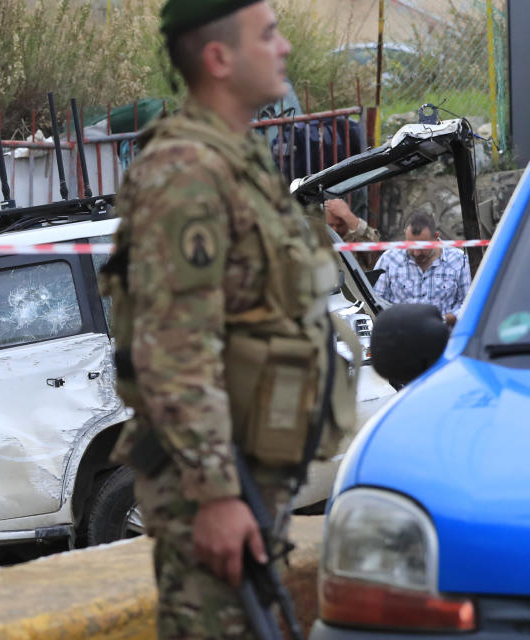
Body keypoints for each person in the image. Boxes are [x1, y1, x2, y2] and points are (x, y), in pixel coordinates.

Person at [97, 1, 359, 637]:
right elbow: (172, 347)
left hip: (251, 472)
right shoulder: (184, 171)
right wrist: (215, 494)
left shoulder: (237, 162)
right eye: (267, 35)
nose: (285, 48)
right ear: (219, 58)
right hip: (211, 484)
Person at [373, 210, 470, 326]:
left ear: (436, 237)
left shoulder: (459, 260)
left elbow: (469, 303)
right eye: (411, 245)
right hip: (399, 336)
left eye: (422, 247)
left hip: (444, 337)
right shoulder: (389, 260)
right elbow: (375, 300)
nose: (416, 253)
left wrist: (444, 319)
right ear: (405, 234)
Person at [324, 198, 381, 271]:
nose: (335, 229)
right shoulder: (318, 238)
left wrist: (348, 215)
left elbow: (374, 243)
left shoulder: (355, 237)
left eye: (340, 225)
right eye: (330, 225)